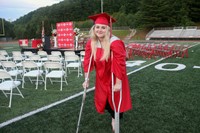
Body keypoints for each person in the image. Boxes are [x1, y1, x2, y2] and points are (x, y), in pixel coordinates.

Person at [82, 12, 132, 132]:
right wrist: (86, 79)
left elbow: (120, 64)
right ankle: (112, 117)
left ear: (108, 29)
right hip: (102, 78)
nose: (99, 30)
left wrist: (118, 82)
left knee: (116, 104)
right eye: (97, 27)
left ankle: (115, 123)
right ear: (94, 28)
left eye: (103, 27)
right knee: (106, 102)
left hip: (115, 77)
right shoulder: (91, 42)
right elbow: (87, 61)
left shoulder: (115, 42)